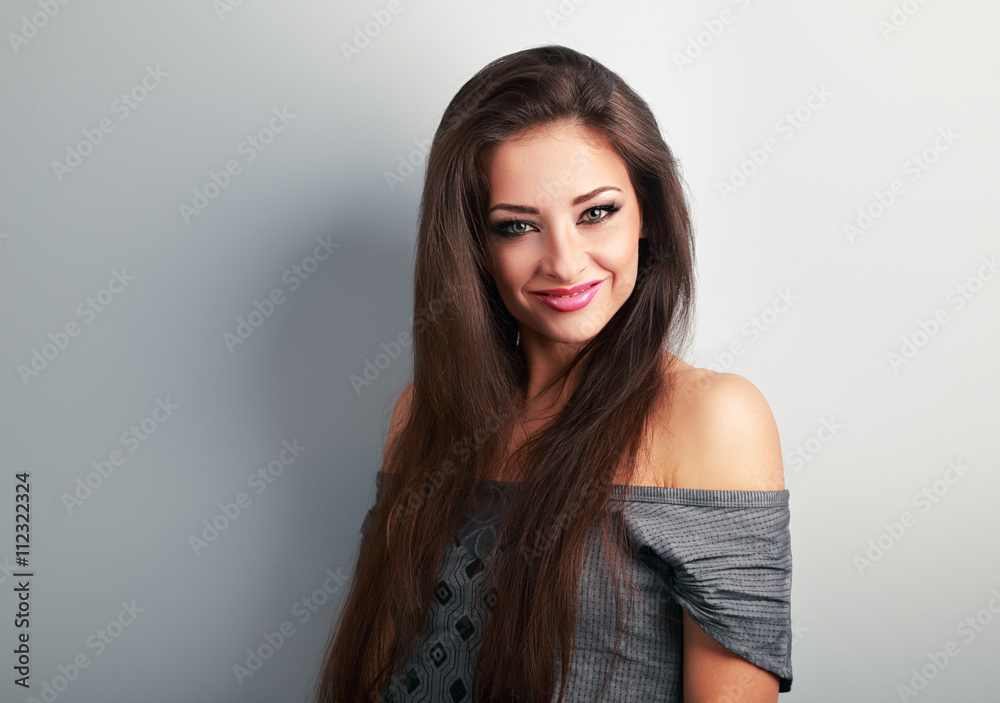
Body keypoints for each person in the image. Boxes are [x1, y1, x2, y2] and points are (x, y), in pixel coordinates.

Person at [315, 44, 792, 703]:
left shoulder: (714, 418)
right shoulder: (422, 412)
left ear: (649, 213)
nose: (565, 263)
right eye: (517, 226)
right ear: (474, 247)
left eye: (596, 212)